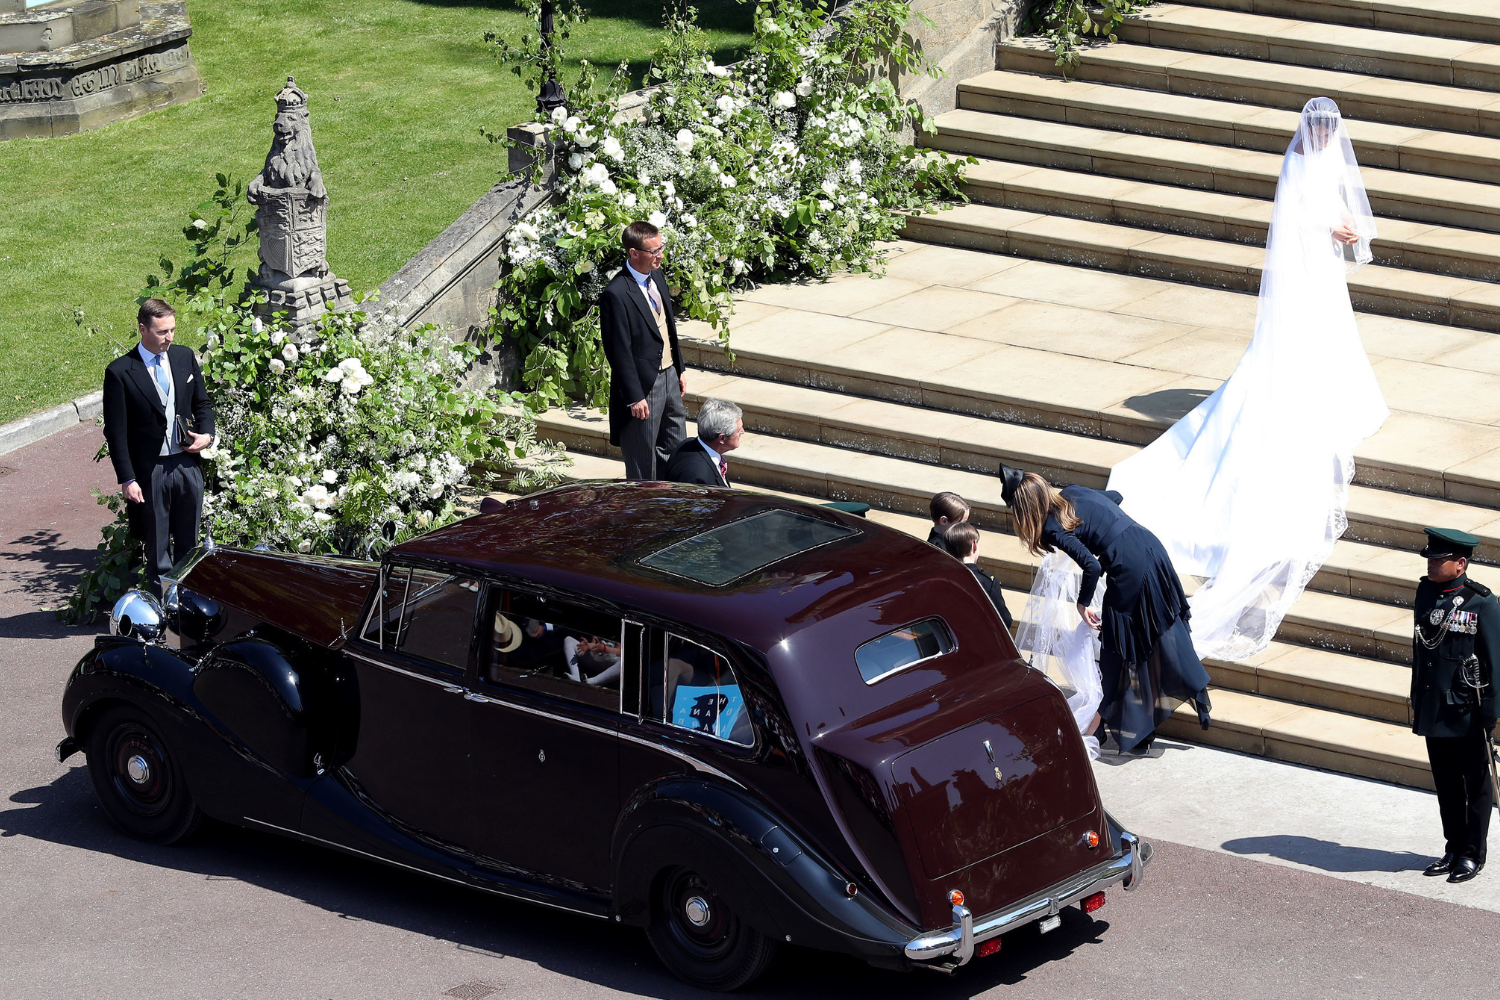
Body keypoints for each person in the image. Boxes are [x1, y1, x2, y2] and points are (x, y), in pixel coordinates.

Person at [1106, 97, 1388, 664]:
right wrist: (1327, 226)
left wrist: (1347, 226)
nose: (1324, 138)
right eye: (1319, 129)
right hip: (1301, 270)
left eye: (1329, 130)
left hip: (1323, 268)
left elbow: (1338, 208)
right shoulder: (1296, 164)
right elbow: (1294, 220)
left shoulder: (1328, 161)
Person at [1007, 465, 1211, 755]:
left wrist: (1082, 603)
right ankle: (1174, 706)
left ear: (1025, 512)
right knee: (1155, 629)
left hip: (1128, 565)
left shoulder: (1053, 527)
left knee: (1116, 646)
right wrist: (1101, 525)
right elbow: (1115, 496)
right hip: (1150, 546)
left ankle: (1099, 728)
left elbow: (1091, 565)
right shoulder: (1073, 492)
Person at [101, 298, 215, 596]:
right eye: (162, 331)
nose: (169, 337)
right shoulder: (120, 371)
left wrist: (207, 435)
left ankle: (189, 603)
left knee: (190, 544)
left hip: (187, 463)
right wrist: (127, 478)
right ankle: (163, 607)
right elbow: (116, 432)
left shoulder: (183, 357)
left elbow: (202, 403)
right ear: (143, 329)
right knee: (158, 547)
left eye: (172, 330)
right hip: (151, 471)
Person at [1411, 527, 1499, 884]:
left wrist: (1491, 710)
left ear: (1460, 564)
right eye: (1430, 559)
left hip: (1466, 709)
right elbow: (1423, 652)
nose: (1431, 564)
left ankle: (1472, 854)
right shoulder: (1425, 592)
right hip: (1434, 706)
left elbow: (1495, 661)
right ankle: (1453, 847)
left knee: (1475, 785)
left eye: (1439, 560)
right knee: (1446, 783)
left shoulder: (1482, 602)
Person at [600, 221, 686, 480]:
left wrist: (679, 369)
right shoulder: (616, 293)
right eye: (654, 251)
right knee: (643, 459)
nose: (661, 256)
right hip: (643, 387)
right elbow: (618, 351)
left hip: (669, 376)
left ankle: (673, 500)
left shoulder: (657, 276)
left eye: (661, 248)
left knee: (677, 448)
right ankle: (643, 504)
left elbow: (669, 328)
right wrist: (634, 397)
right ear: (634, 253)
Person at [943, 521, 1013, 629]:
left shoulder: (943, 578)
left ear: (947, 550)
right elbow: (1005, 620)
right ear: (974, 546)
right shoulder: (987, 582)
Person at [664, 397, 743, 486]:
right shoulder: (698, 478)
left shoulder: (687, 444)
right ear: (722, 438)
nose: (743, 432)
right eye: (738, 430)